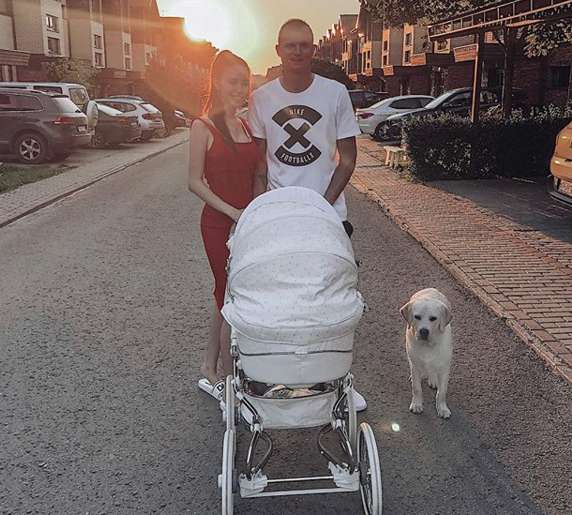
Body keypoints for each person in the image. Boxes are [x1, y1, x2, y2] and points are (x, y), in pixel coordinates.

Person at [247, 19, 367, 411]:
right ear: (278, 50)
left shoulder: (335, 93)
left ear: (314, 50)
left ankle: (341, 383)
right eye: (290, 45)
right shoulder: (261, 98)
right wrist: (257, 216)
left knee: (333, 301)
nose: (297, 52)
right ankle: (283, 379)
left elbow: (347, 158)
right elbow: (260, 166)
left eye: (304, 45)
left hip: (328, 215)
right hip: (280, 216)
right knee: (283, 302)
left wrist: (324, 206)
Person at [188, 51, 259, 401]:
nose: (240, 89)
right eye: (233, 82)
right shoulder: (202, 126)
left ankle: (209, 365)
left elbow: (256, 174)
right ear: (216, 82)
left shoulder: (246, 125)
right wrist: (232, 213)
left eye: (245, 83)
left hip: (247, 224)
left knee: (228, 293)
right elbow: (193, 182)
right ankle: (228, 379)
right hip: (219, 224)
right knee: (227, 292)